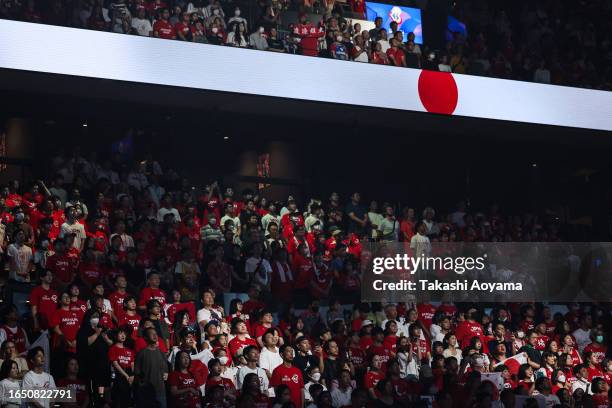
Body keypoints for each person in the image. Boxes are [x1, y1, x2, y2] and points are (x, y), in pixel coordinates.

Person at [134, 327, 169, 408]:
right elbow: (137, 374)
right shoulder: (141, 354)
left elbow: (166, 370)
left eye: (156, 333)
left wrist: (166, 373)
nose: (155, 335)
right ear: (145, 337)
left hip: (160, 392)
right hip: (146, 393)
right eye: (152, 333)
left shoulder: (161, 353)